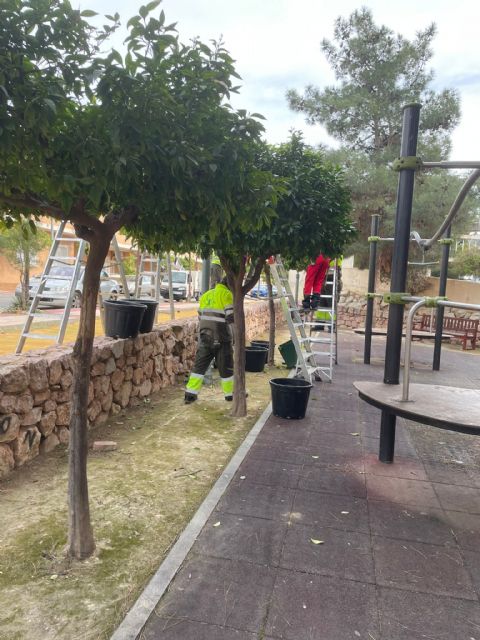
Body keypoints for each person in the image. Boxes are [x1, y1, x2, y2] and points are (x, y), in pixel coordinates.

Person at [185, 276, 234, 403]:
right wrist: (234, 338)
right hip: (222, 337)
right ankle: (230, 394)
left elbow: (200, 315)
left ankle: (190, 394)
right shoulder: (227, 294)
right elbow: (231, 318)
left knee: (199, 366)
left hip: (205, 336)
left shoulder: (206, 295)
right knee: (226, 367)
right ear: (230, 285)